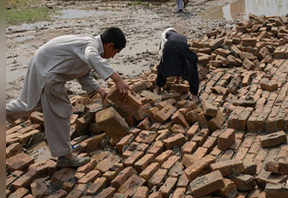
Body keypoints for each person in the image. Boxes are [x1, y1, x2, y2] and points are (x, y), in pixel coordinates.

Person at [6, 27, 130, 168]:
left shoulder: (88, 43)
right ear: (110, 45)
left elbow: (83, 74)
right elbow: (90, 57)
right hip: (49, 72)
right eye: (115, 52)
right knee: (61, 111)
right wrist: (117, 79)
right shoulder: (91, 46)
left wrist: (100, 90)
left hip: (42, 64)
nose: (113, 56)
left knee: (27, 105)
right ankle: (65, 156)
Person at [155, 28, 199, 103]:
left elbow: (161, 54)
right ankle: (194, 95)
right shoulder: (181, 36)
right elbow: (181, 55)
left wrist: (162, 64)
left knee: (163, 67)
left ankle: (158, 88)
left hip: (170, 46)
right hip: (182, 47)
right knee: (190, 67)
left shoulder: (164, 35)